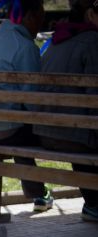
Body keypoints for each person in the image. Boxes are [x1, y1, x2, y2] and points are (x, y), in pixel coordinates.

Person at [0, 0, 54, 213]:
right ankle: (90, 199)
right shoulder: (25, 46)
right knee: (49, 131)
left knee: (19, 126)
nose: (41, 24)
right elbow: (33, 101)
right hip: (10, 131)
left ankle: (38, 194)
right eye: (40, 18)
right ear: (28, 16)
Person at [34, 0, 98, 223]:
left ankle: (93, 203)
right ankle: (94, 203)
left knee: (81, 127)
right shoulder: (92, 41)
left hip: (47, 132)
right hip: (75, 135)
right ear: (91, 15)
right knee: (87, 130)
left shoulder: (56, 40)